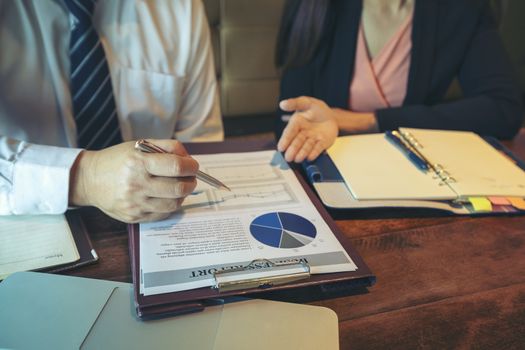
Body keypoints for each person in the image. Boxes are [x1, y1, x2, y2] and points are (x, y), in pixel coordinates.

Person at [0, 0, 223, 223]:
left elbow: (201, 138)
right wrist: (85, 179)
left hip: (155, 222)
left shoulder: (181, 6)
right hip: (27, 223)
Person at [275, 0, 524, 163]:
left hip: (413, 168)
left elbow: (503, 110)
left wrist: (363, 121)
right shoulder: (315, 6)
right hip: (326, 166)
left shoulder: (460, 9)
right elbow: (290, 121)